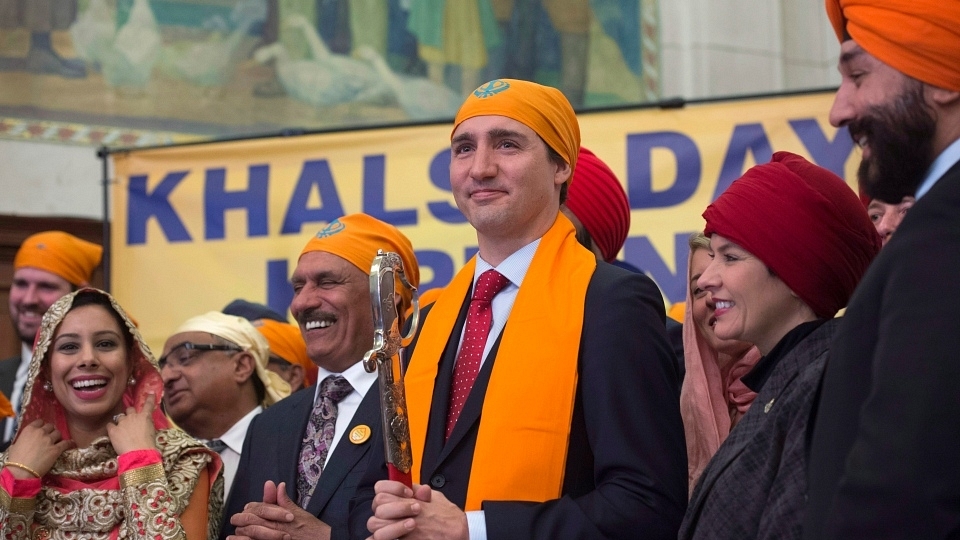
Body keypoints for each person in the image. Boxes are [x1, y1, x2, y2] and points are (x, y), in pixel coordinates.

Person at [361, 78, 687, 540]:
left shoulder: (611, 302)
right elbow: (383, 482)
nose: (481, 168)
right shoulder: (433, 317)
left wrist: (474, 530)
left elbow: (647, 504)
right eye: (463, 149)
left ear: (561, 166)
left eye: (507, 145)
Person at [803, 1, 960, 537]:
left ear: (944, 80)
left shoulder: (945, 232)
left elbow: (901, 496)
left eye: (859, 75)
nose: (839, 111)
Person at [678, 152, 880, 538]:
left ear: (794, 275)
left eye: (730, 258)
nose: (706, 281)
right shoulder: (789, 381)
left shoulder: (828, 389)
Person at [223, 213, 419, 540]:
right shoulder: (269, 425)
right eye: (299, 286)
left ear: (387, 298)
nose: (302, 303)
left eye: (327, 282)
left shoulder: (419, 402)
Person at [0, 288, 222, 539]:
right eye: (69, 346)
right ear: (46, 369)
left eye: (105, 344)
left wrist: (140, 462)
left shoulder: (181, 460)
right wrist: (18, 481)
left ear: (131, 364)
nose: (88, 359)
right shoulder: (14, 465)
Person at [160, 312, 291, 497]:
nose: (166, 377)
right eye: (162, 366)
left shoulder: (290, 445)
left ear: (241, 366)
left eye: (184, 358)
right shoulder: (163, 460)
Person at [679, 232, 761, 496]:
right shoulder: (682, 407)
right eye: (698, 290)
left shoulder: (803, 381)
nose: (711, 296)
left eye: (726, 274)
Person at [2, 231, 102, 446]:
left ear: (81, 294)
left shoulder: (103, 381)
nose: (28, 299)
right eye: (21, 284)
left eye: (46, 286)